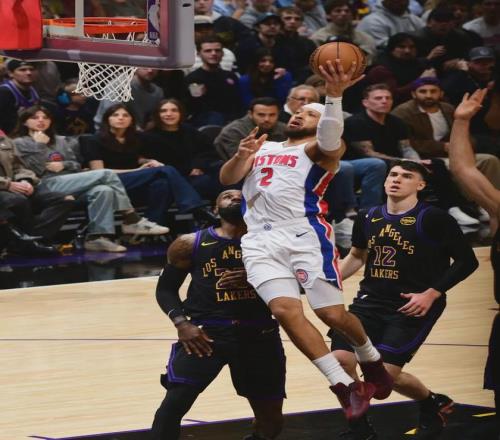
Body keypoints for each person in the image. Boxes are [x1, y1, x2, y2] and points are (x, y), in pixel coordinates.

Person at [220, 59, 394, 421]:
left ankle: (371, 358)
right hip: (258, 240)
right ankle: (343, 385)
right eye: (298, 112)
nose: (300, 115)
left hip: (303, 234)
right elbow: (227, 179)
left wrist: (333, 97)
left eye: (310, 114)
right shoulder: (264, 147)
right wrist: (241, 155)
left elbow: (330, 137)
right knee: (284, 311)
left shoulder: (322, 150)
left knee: (331, 314)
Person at [330, 160, 479, 439]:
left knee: (385, 379)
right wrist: (327, 282)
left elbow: (467, 261)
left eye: (406, 176)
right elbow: (358, 256)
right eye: (393, 174)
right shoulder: (367, 215)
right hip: (369, 302)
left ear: (420, 185)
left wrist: (432, 293)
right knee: (340, 360)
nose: (396, 179)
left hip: (411, 306)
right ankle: (359, 427)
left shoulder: (434, 218)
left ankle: (430, 403)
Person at [151, 189, 286, 440]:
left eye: (240, 196)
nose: (235, 198)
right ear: (215, 209)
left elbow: (298, 284)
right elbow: (165, 289)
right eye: (227, 196)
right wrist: (182, 324)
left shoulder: (272, 242)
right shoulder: (189, 243)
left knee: (271, 419)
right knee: (173, 406)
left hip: (258, 333)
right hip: (205, 334)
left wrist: (255, 277)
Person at [11, 105, 169, 253]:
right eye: (35, 118)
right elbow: (36, 169)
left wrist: (64, 164)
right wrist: (40, 146)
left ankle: (97, 238)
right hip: (44, 185)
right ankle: (131, 218)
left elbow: (76, 165)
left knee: (103, 190)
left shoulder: (61, 140)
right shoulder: (18, 143)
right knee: (106, 174)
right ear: (25, 122)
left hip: (70, 180)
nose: (41, 121)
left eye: (45, 117)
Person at [83, 103, 217, 226]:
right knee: (166, 170)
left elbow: (138, 158)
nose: (121, 118)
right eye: (115, 115)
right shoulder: (93, 140)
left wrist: (149, 162)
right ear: (107, 119)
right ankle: (195, 208)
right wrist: (137, 171)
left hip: (134, 182)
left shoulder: (136, 138)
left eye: (125, 115)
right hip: (110, 182)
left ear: (131, 120)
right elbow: (99, 173)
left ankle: (151, 224)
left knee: (162, 184)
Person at [0, 132, 74, 255]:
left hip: (17, 186)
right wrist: (7, 185)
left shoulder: (4, 139)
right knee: (17, 201)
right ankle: (29, 244)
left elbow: (18, 166)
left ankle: (30, 240)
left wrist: (25, 180)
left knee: (65, 199)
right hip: (5, 189)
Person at [140, 99, 224, 202]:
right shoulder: (148, 136)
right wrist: (189, 170)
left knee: (221, 171)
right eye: (163, 111)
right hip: (169, 178)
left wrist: (197, 166)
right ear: (157, 115)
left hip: (195, 172)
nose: (169, 114)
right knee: (205, 182)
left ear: (181, 113)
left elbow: (208, 151)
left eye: (174, 110)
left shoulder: (189, 131)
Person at [214, 97, 287, 160]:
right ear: (250, 114)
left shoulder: (284, 128)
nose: (267, 119)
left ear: (278, 114)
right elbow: (239, 162)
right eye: (261, 115)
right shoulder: (233, 131)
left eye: (272, 115)